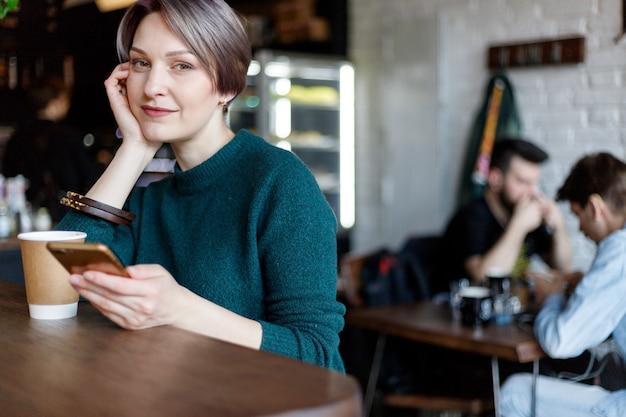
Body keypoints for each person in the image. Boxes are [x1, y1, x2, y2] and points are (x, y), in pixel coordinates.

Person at [55, 0, 345, 371]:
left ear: (227, 83)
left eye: (182, 65)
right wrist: (135, 148)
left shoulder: (279, 183)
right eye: (141, 63)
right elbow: (64, 282)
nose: (152, 87)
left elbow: (319, 357)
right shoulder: (147, 202)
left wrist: (181, 310)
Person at [500, 152, 626, 417]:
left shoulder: (619, 251)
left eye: (578, 215)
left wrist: (552, 296)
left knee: (513, 393)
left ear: (595, 207)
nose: (580, 228)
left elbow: (560, 340)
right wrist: (586, 286)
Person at [435, 138, 572, 293]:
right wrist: (519, 226)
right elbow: (483, 279)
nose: (533, 192)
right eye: (523, 182)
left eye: (535, 183)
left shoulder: (523, 211)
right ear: (495, 179)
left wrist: (559, 227)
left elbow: (564, 268)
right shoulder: (470, 218)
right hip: (455, 312)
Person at [2, 75, 106, 222]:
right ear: (53, 103)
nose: (67, 105)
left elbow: (8, 175)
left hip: (25, 215)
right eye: (64, 101)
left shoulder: (17, 138)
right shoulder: (67, 136)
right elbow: (89, 176)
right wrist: (101, 164)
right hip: (65, 212)